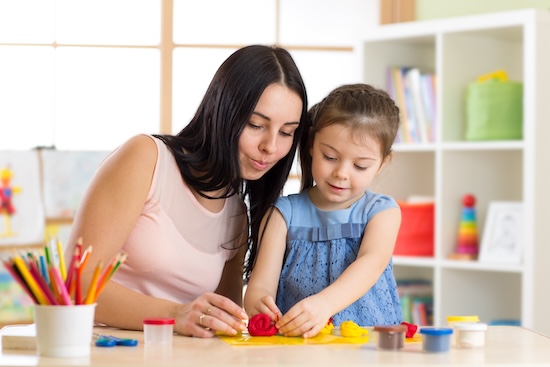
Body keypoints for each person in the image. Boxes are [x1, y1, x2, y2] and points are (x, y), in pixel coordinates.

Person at [64, 45, 308, 338]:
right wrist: (174, 315)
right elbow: (75, 284)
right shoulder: (146, 159)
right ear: (222, 111)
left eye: (286, 132)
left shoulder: (236, 216)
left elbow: (221, 322)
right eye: (256, 124)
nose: (270, 146)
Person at [244, 83, 403, 338]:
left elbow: (370, 263)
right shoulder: (284, 214)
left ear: (382, 163)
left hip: (369, 345)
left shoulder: (381, 212)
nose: (341, 173)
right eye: (330, 157)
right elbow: (260, 285)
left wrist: (324, 304)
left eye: (360, 166)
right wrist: (259, 304)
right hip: (301, 347)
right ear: (311, 145)